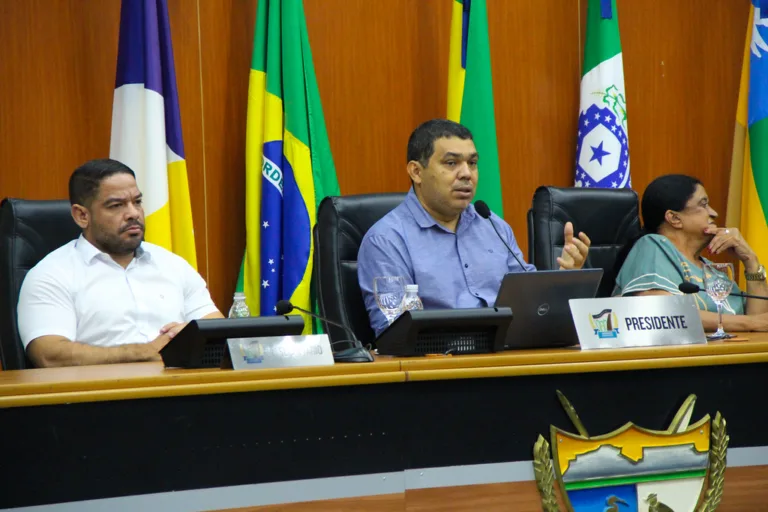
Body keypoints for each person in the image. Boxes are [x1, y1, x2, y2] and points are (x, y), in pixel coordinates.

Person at [357, 119, 591, 336]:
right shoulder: (387, 240)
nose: (467, 174)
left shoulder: (493, 226)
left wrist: (564, 281)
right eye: (451, 163)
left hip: (506, 360)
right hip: (439, 370)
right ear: (416, 172)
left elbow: (531, 305)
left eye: (472, 163)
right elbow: (397, 331)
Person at [17, 159, 224, 367]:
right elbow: (49, 354)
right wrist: (145, 351)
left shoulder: (172, 264)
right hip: (104, 395)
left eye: (137, 202)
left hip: (184, 390)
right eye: (116, 205)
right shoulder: (52, 274)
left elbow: (217, 327)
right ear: (82, 216)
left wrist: (190, 335)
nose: (133, 213)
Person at [614, 174, 768, 331]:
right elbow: (660, 310)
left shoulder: (712, 269)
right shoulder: (652, 246)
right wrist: (749, 323)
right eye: (703, 205)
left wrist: (751, 261)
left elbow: (760, 324)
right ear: (674, 218)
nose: (714, 213)